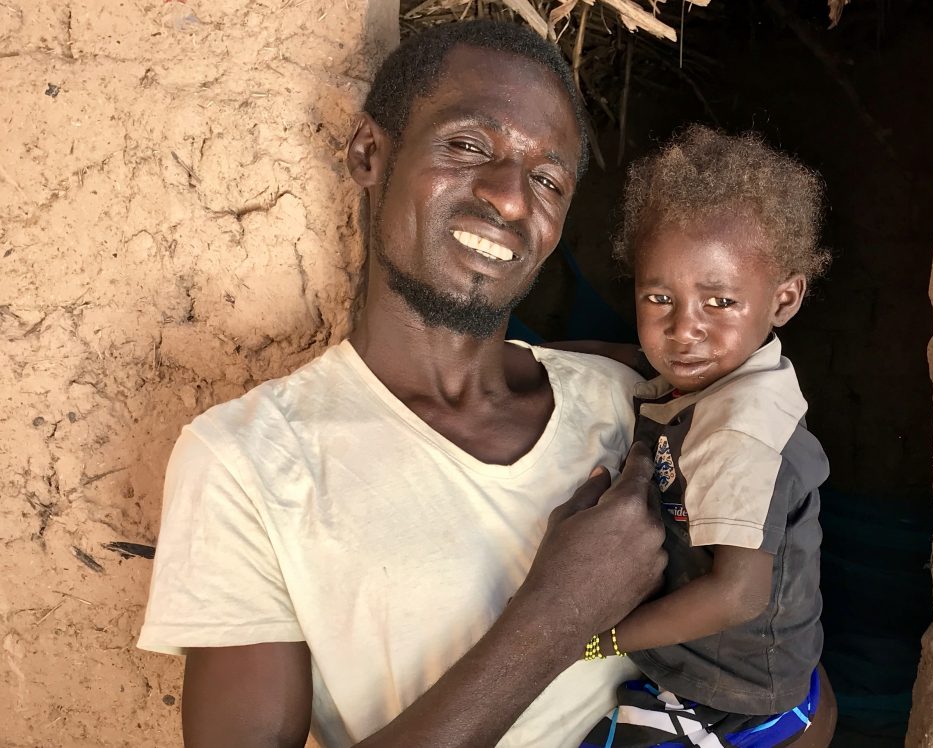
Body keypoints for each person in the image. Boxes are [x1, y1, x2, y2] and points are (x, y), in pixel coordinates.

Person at [136, 20, 667, 748]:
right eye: (468, 145)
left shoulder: (625, 405)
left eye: (547, 178)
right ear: (368, 154)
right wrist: (557, 617)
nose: (510, 199)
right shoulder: (249, 463)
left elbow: (794, 698)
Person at [570, 126, 838, 747]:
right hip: (731, 657)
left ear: (785, 298)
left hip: (732, 690)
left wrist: (594, 638)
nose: (683, 330)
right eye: (659, 298)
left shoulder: (739, 434)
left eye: (719, 302)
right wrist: (529, 354)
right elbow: (629, 355)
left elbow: (738, 595)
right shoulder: (719, 373)